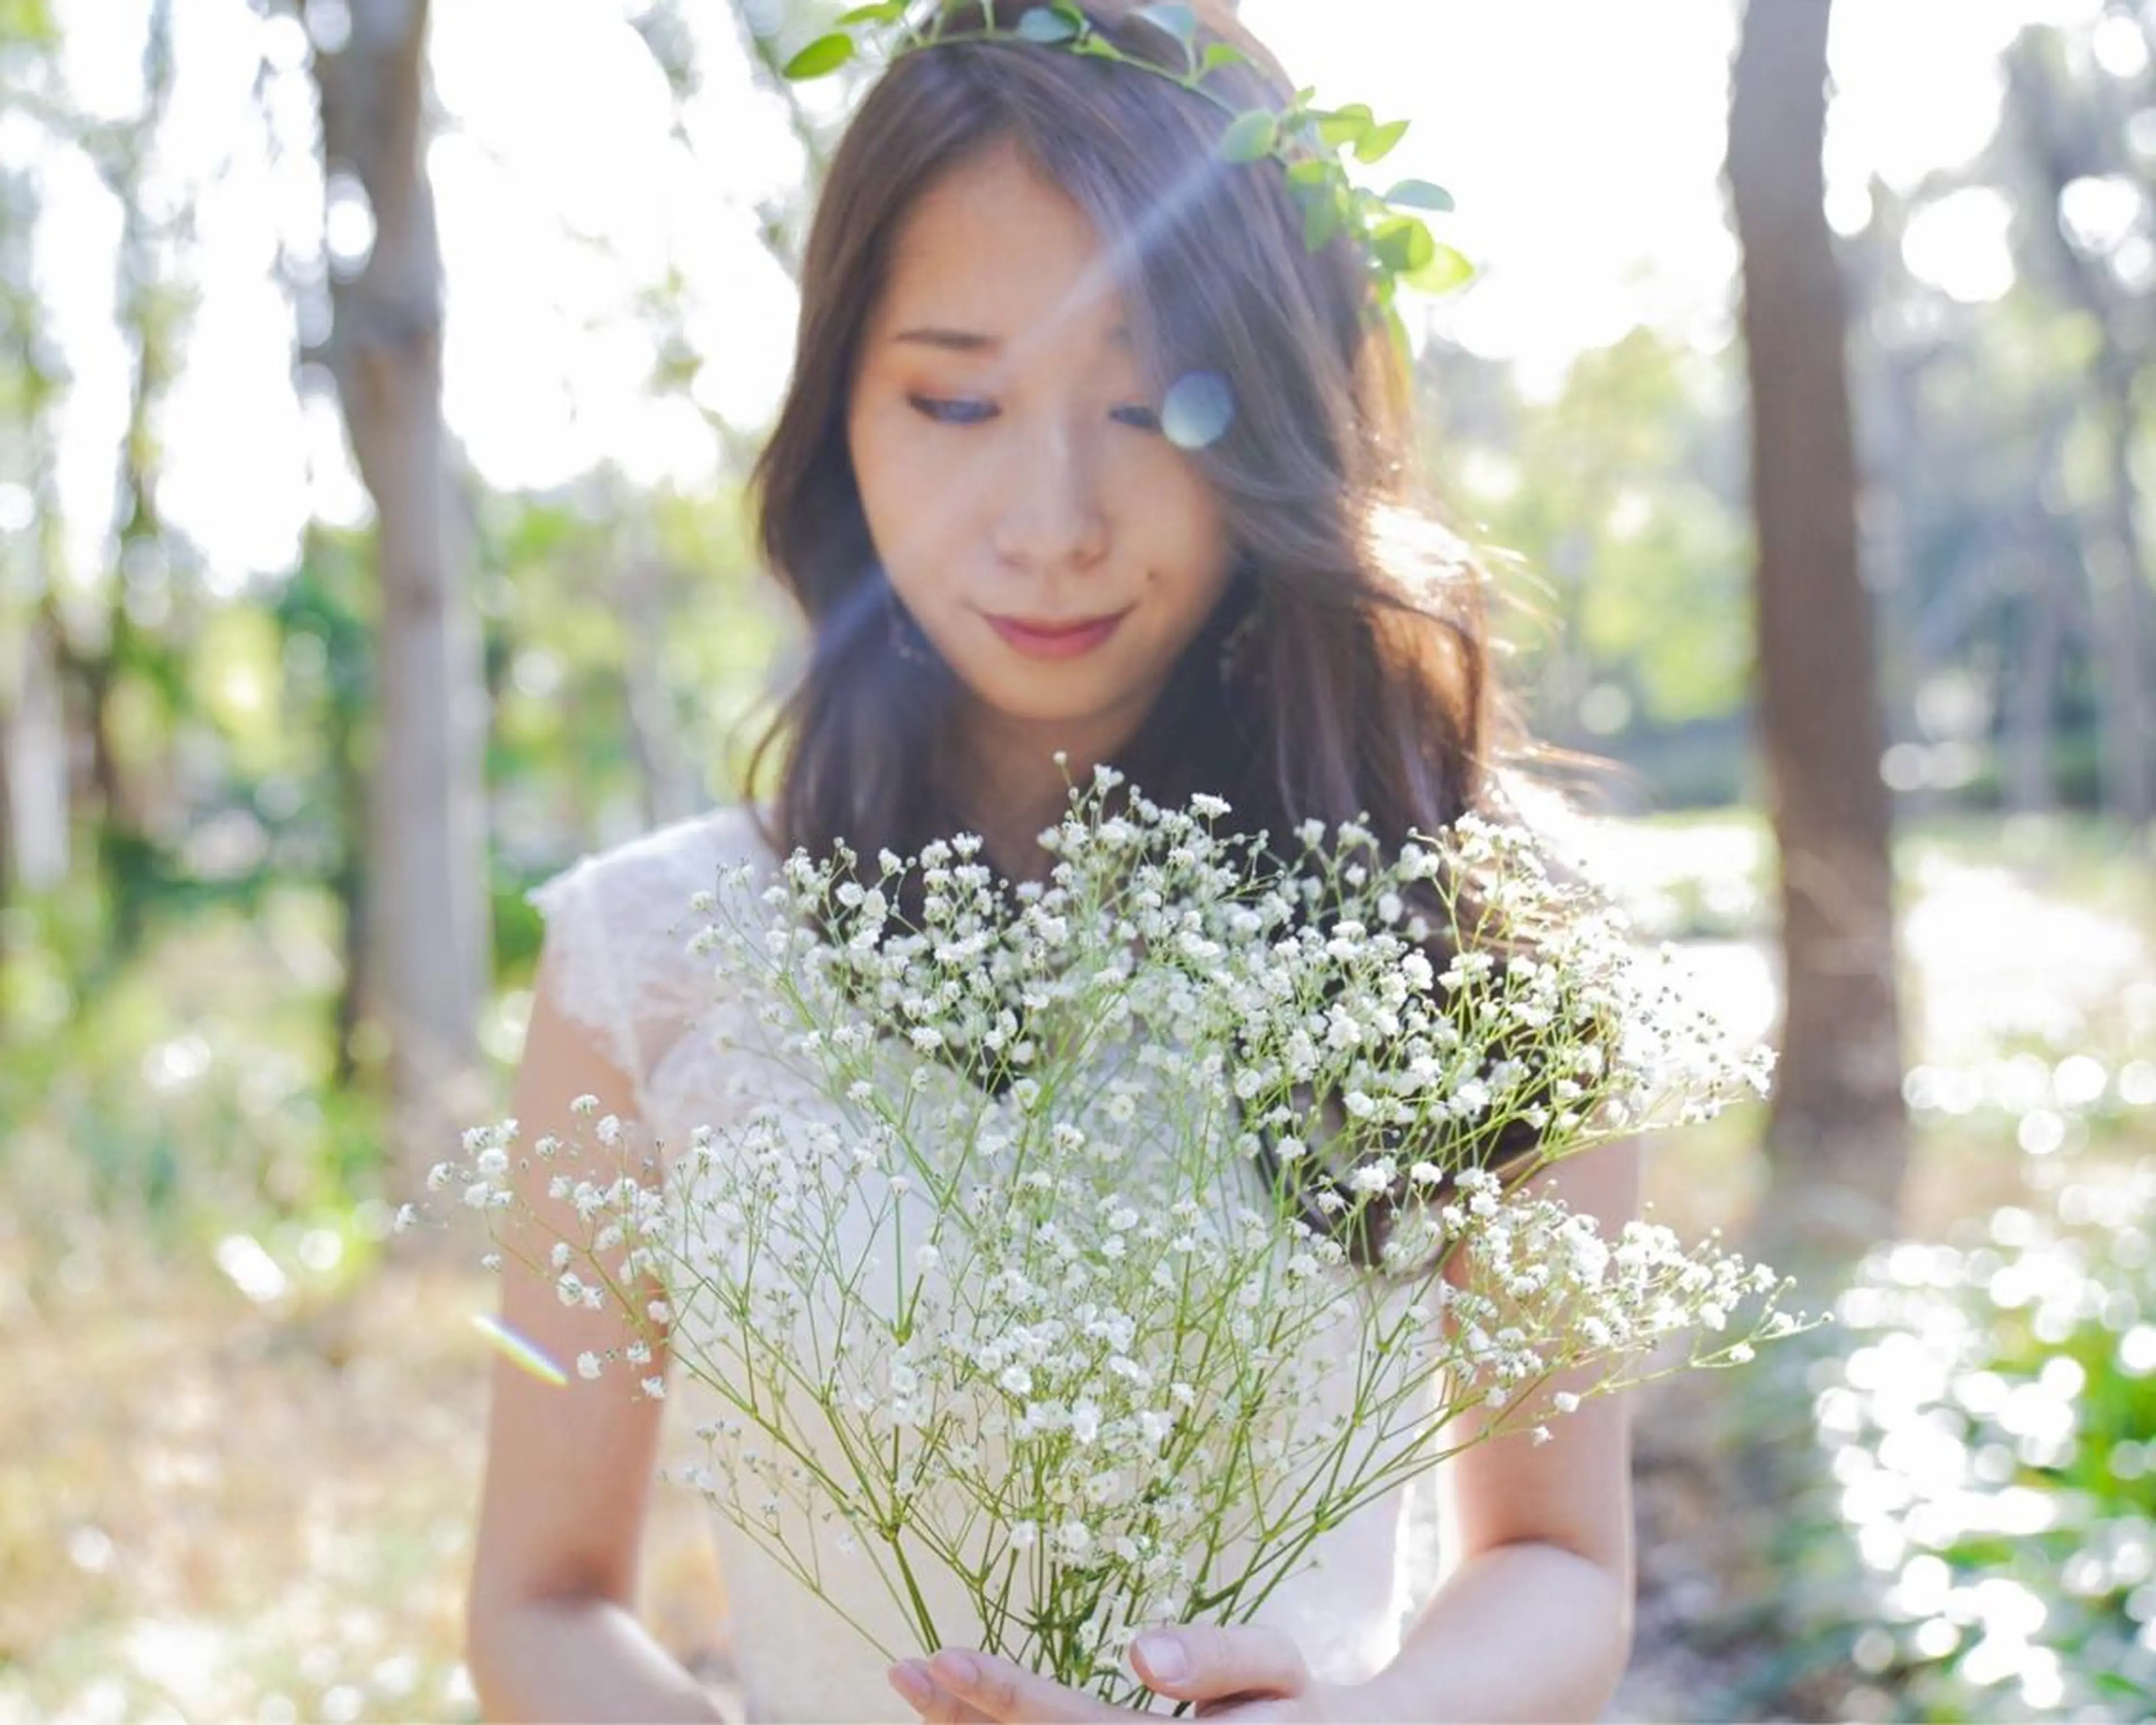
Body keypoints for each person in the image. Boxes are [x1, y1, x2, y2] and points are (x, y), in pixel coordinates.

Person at [465, 2, 1641, 1718]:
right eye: (956, 400)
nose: (1052, 518)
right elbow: (543, 1601)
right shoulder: (649, 959)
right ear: (835, 418)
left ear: (1290, 424)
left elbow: (1559, 1558)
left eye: (1163, 403)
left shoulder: (1475, 919)